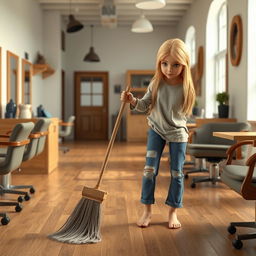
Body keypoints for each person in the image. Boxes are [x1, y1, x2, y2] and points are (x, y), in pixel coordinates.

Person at [120, 38, 195, 229]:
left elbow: (185, 113)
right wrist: (132, 100)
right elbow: (144, 105)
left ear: (184, 64)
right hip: (156, 130)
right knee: (149, 171)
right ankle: (147, 211)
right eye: (165, 63)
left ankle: (173, 213)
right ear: (159, 63)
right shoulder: (156, 83)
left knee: (177, 173)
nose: (169, 69)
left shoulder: (186, 87)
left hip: (178, 134)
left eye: (176, 64)